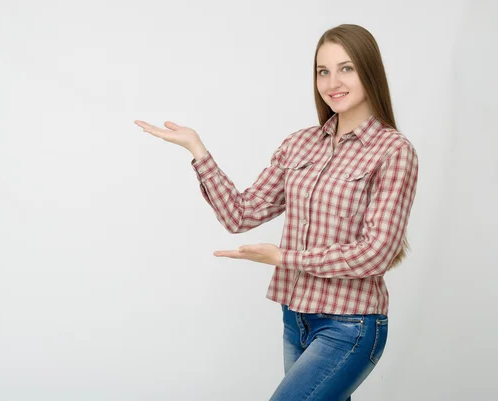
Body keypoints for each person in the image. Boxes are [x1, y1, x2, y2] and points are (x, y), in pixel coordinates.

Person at [134, 23, 418, 401]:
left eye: (346, 68)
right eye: (323, 71)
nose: (333, 81)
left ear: (369, 71)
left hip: (351, 326)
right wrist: (198, 151)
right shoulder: (299, 144)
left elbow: (377, 252)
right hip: (295, 318)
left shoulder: (394, 151)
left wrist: (286, 257)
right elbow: (240, 215)